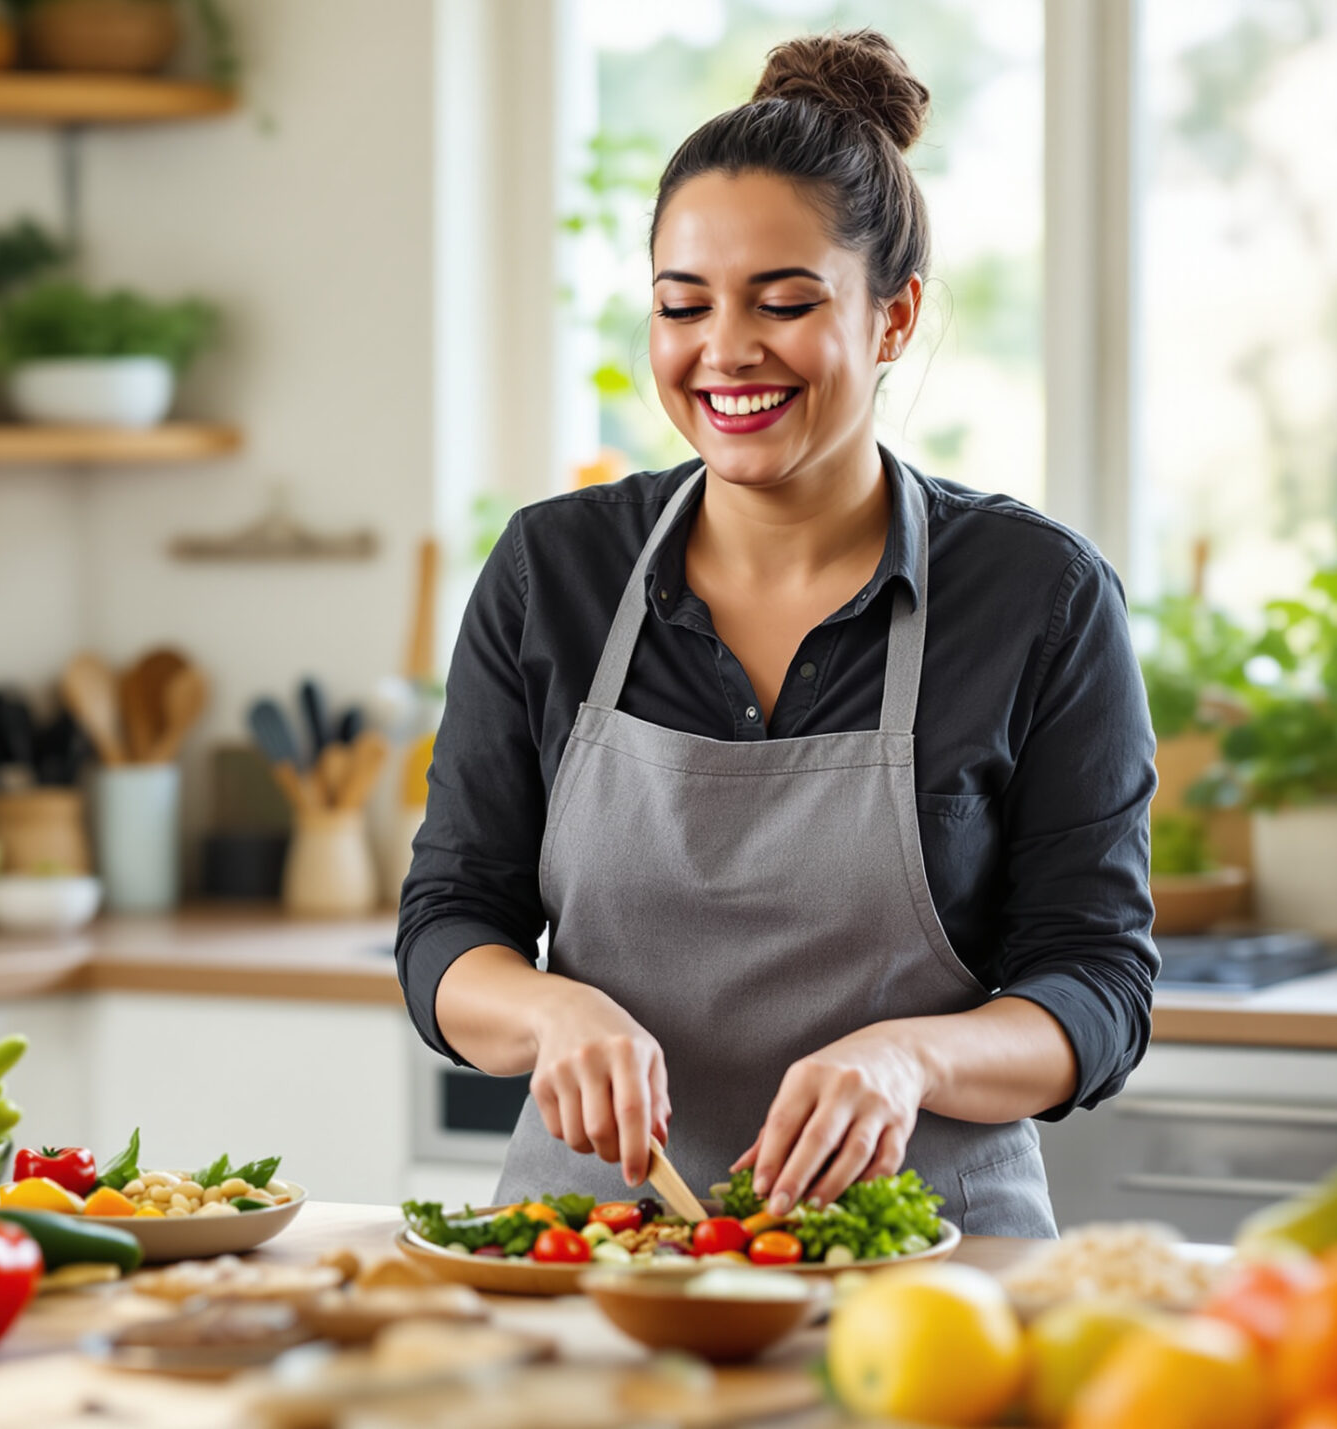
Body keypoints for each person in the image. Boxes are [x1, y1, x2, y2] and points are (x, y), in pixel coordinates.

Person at [394, 29, 1158, 1237]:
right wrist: (549, 1012)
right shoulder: (557, 570)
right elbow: (448, 923)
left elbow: (1097, 984)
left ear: (893, 317)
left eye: (786, 302)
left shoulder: (1036, 596)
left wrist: (912, 1061)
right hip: (588, 1262)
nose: (725, 351)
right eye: (681, 305)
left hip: (918, 1268)